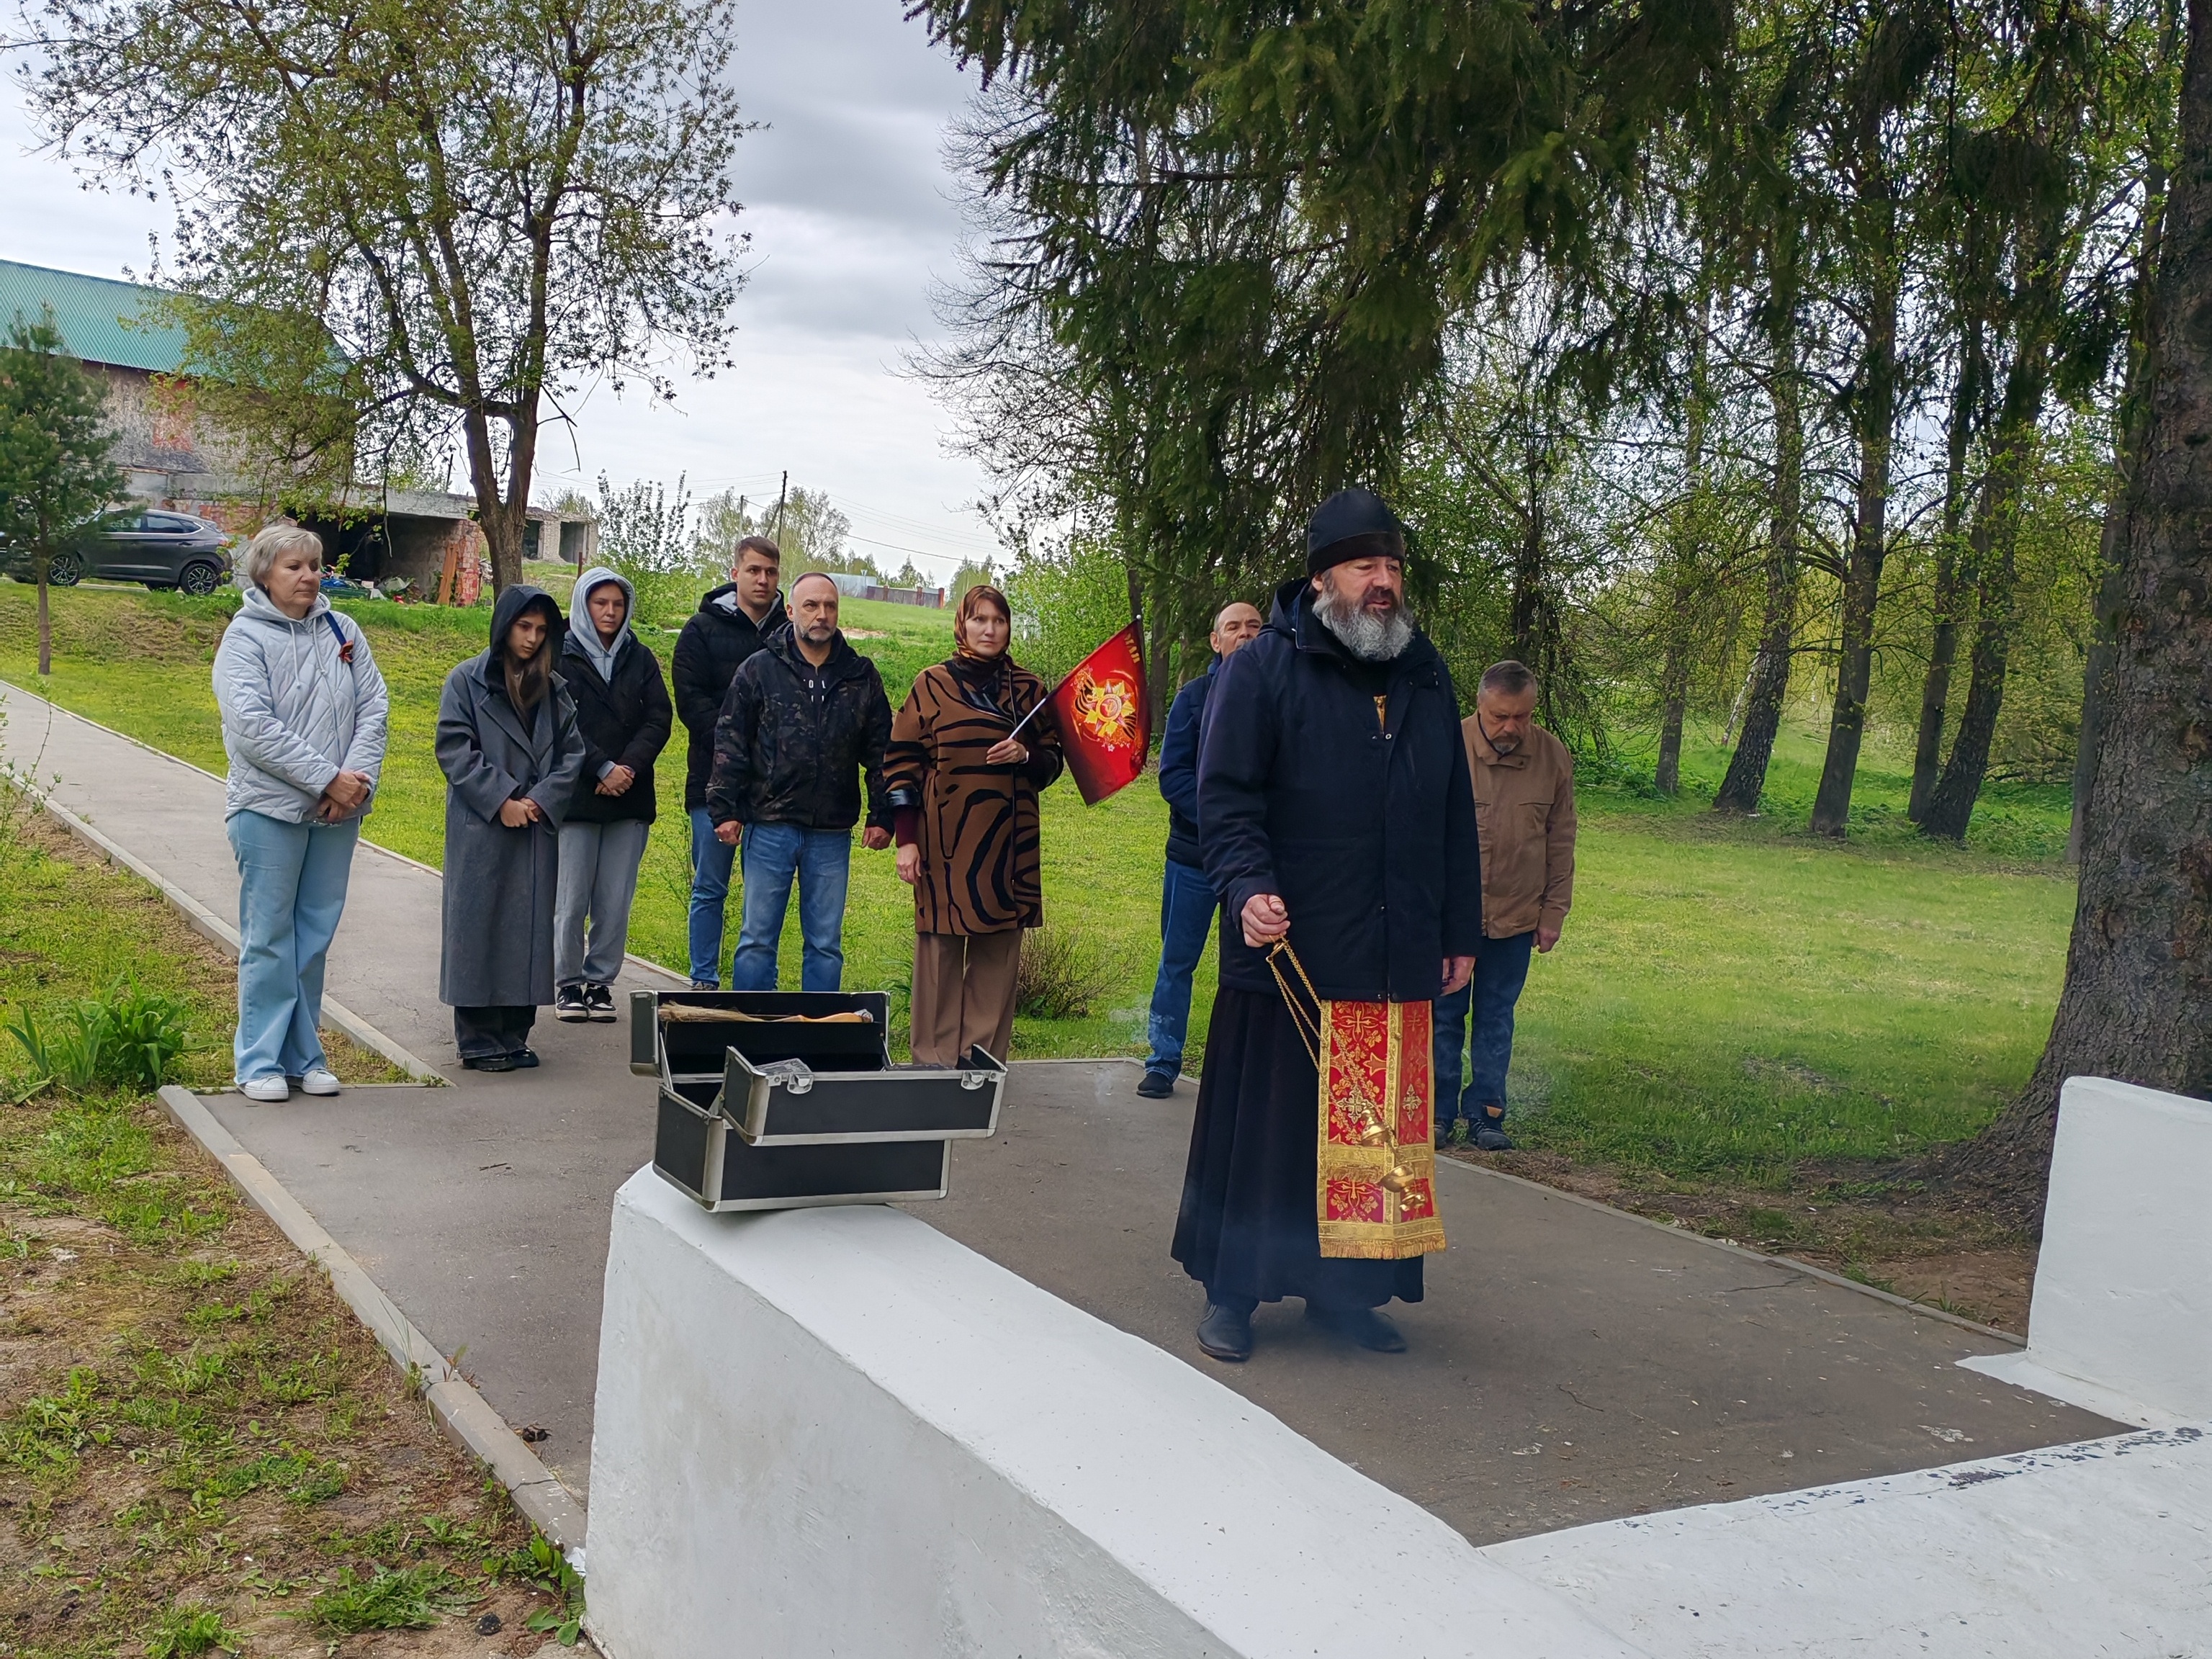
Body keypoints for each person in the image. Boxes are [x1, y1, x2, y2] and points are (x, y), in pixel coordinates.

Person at [1174, 487, 1481, 1362]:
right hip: (1291, 951)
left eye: (1392, 567)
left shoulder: (1424, 671)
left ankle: (1344, 1297)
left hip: (1393, 949)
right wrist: (1245, 886)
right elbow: (1224, 796)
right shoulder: (1262, 667)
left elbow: (1454, 810)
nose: (1383, 583)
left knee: (1372, 1136)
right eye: (1364, 567)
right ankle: (1232, 1294)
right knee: (1268, 1134)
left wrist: (1459, 927)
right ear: (1321, 581)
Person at [212, 524, 390, 1102]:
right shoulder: (244, 639)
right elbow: (253, 728)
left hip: (337, 814)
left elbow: (374, 706)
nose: (309, 576)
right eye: (295, 567)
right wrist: (326, 778)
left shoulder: (344, 629)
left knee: (313, 937)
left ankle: (303, 1056)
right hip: (267, 811)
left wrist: (353, 787)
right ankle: (258, 1062)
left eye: (314, 566)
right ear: (265, 574)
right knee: (269, 938)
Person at [886, 583, 1064, 1066]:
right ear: (961, 624)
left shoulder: (1028, 690)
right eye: (979, 619)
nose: (989, 629)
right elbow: (900, 762)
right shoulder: (931, 684)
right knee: (940, 951)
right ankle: (934, 1061)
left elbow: (1053, 764)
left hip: (1009, 844)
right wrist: (907, 841)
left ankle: (979, 1064)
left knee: (998, 953)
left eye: (999, 621)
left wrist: (1027, 755)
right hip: (943, 841)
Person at [706, 571, 895, 991]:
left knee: (825, 943)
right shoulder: (759, 669)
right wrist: (724, 808)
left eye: (829, 606)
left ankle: (819, 1039)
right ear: (791, 611)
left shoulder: (861, 675)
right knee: (757, 939)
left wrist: (883, 815)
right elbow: (731, 740)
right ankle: (751, 1033)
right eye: (811, 606)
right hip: (769, 825)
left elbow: (882, 751)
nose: (821, 615)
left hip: (831, 832)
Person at [436, 585, 586, 1071]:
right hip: (483, 827)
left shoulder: (555, 690)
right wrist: (501, 798)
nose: (532, 638)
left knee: (529, 930)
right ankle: (477, 1038)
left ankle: (514, 1033)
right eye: (524, 627)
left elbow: (573, 756)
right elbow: (455, 748)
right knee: (479, 927)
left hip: (534, 828)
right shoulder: (466, 682)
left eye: (542, 631)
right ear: (505, 627)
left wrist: (540, 801)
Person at [1434, 660, 1575, 1151]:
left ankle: (1487, 1114)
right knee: (1443, 1016)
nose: (1511, 727)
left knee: (1496, 1017)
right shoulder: (1445, 747)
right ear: (1480, 706)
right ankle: (1436, 1113)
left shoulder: (1553, 757)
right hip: (1450, 920)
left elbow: (1562, 839)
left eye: (1522, 716)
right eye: (1501, 717)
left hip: (1517, 917)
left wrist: (1554, 911)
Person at [1136, 599, 1264, 1099]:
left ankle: (1242, 1072)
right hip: (1194, 858)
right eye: (1233, 627)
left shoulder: (1278, 697)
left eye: (1254, 627)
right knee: (1178, 962)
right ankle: (1163, 1062)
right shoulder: (1193, 698)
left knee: (1251, 971)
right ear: (1216, 640)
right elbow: (1173, 776)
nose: (1245, 635)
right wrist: (1224, 827)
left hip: (1254, 868)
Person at [553, 568, 673, 1022]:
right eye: (600, 603)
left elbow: (659, 718)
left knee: (614, 899)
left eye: (617, 604)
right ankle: (567, 983)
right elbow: (560, 723)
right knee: (571, 898)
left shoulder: (639, 657)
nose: (609, 612)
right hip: (577, 798)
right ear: (584, 605)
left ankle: (600, 983)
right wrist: (601, 766)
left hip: (629, 797)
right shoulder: (560, 656)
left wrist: (627, 768)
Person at [672, 536, 786, 989]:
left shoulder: (790, 632)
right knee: (710, 886)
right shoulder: (700, 630)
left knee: (765, 896)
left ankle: (757, 985)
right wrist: (735, 745)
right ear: (735, 572)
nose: (762, 580)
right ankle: (704, 978)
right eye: (754, 570)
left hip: (774, 790)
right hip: (712, 783)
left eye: (771, 572)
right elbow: (690, 701)